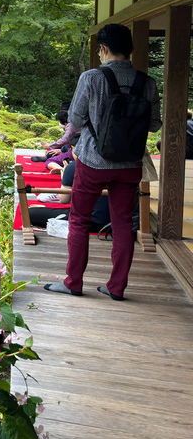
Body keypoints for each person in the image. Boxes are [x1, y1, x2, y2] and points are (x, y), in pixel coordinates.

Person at [43, 23, 161, 301]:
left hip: (93, 160)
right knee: (122, 223)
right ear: (131, 49)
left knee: (80, 220)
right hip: (130, 164)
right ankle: (116, 288)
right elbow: (154, 124)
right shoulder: (148, 82)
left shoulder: (91, 78)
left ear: (104, 49)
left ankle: (73, 282)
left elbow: (76, 119)